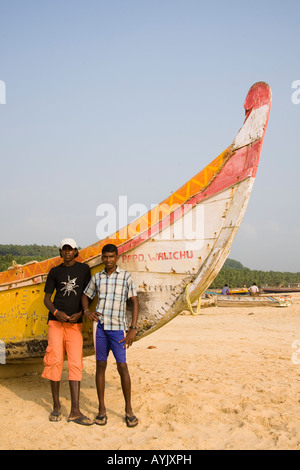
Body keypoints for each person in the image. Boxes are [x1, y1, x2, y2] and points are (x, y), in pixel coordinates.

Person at [82, 243, 139, 428]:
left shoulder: (125, 277)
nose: (108, 260)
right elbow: (86, 296)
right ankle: (101, 409)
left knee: (122, 366)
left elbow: (135, 302)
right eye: (105, 257)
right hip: (100, 328)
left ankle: (129, 410)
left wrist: (133, 328)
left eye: (111, 257)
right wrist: (86, 311)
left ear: (117, 257)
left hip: (118, 329)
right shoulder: (97, 278)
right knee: (100, 365)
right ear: (102, 258)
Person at [41, 238, 93, 425]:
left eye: (71, 249)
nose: (68, 252)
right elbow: (47, 299)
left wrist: (81, 312)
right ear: (61, 252)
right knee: (54, 361)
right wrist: (56, 312)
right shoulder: (55, 272)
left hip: (75, 324)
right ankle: (56, 407)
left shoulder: (84, 270)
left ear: (76, 252)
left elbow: (88, 294)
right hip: (56, 322)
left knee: (75, 363)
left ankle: (75, 410)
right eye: (65, 249)